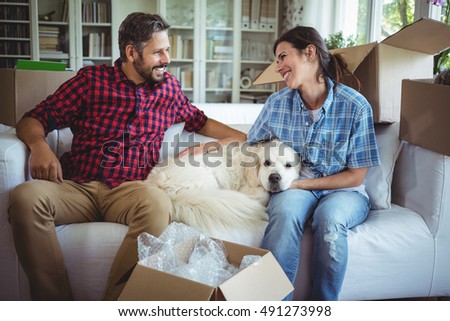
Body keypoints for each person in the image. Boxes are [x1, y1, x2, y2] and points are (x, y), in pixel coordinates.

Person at [8, 12, 245, 301]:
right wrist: (39, 146)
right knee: (25, 198)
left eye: (167, 50)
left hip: (130, 190)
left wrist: (234, 139)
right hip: (75, 186)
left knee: (158, 204)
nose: (166, 58)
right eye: (158, 52)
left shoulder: (169, 90)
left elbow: (200, 121)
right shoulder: (91, 81)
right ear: (132, 53)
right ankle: (56, 305)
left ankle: (117, 305)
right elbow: (33, 119)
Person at [247, 26, 380, 300]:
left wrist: (300, 183)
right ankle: (273, 309)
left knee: (329, 220)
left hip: (344, 192)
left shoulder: (355, 106)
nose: (278, 66)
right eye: (277, 60)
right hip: (294, 186)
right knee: (284, 214)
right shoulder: (276, 104)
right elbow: (252, 146)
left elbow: (356, 176)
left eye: (283, 57)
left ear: (310, 53)